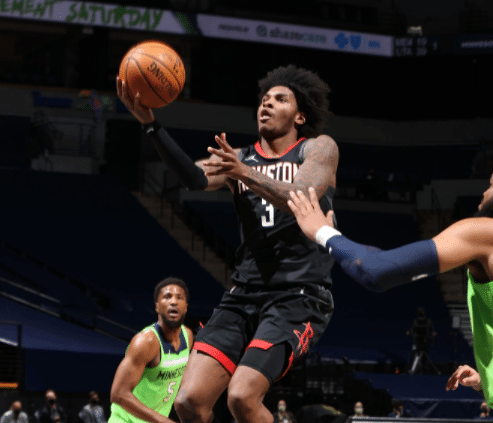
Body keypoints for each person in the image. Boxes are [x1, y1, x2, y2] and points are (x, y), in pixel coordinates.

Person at [116, 64, 338, 423]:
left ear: (300, 116)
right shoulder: (240, 158)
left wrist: (243, 172)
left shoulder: (317, 148)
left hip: (298, 297)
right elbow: (193, 177)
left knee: (241, 397)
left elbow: (301, 195)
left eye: (280, 99)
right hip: (244, 294)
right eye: (264, 99)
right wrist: (151, 124)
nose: (266, 104)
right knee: (189, 401)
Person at [286, 175, 493, 406]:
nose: (484, 192)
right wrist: (486, 382)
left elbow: (374, 271)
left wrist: (322, 232)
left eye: (491, 185)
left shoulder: (485, 233)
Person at [108, 277, 193, 423]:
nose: (173, 302)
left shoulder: (188, 336)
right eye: (167, 297)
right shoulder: (146, 341)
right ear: (157, 307)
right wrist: (164, 421)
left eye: (179, 297)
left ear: (185, 307)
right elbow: (118, 394)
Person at [407, 307, 437, 374]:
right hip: (417, 341)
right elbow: (412, 329)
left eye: (422, 311)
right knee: (415, 355)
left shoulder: (428, 321)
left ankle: (422, 369)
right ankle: (413, 369)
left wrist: (433, 333)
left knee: (424, 356)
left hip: (425, 341)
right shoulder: (415, 321)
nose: (421, 313)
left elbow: (431, 330)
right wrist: (409, 332)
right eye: (419, 311)